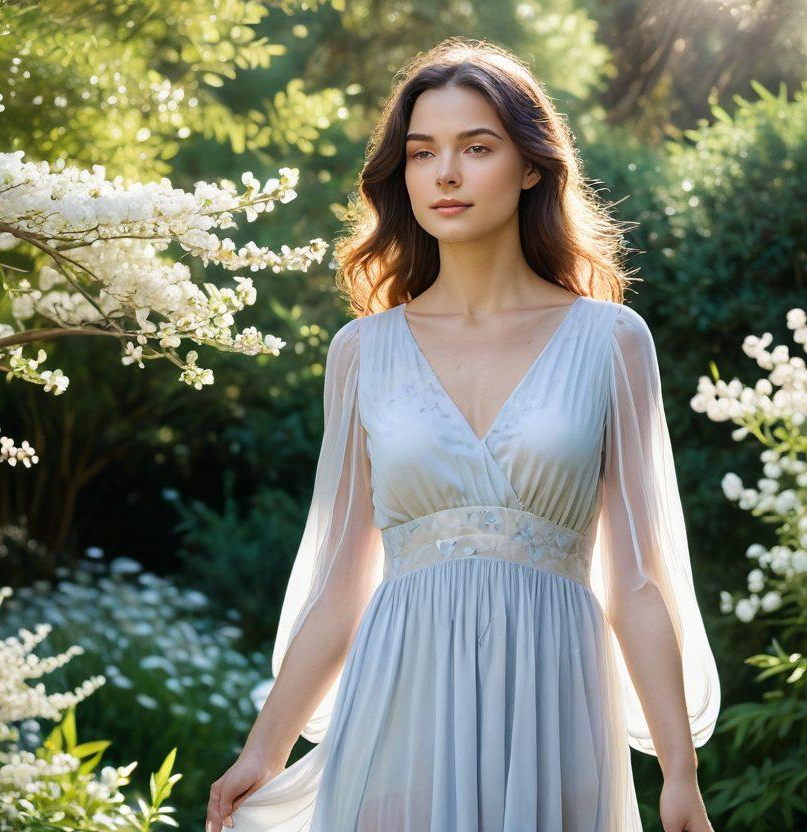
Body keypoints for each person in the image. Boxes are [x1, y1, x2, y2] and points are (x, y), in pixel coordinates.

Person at [206, 37, 720, 832]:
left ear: (531, 166)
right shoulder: (362, 353)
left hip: (555, 710)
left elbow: (638, 582)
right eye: (422, 153)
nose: (444, 174)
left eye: (476, 148)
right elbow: (342, 582)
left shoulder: (611, 340)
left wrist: (678, 776)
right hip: (399, 700)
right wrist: (260, 752)